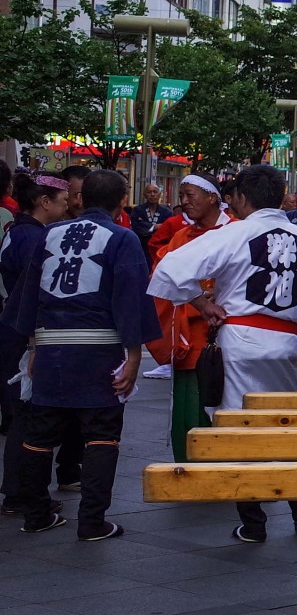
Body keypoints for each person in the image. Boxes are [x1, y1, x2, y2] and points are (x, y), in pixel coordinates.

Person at [147, 164, 297, 543]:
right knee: (284, 427)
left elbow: (169, 271)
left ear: (243, 198)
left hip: (239, 339)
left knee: (238, 429)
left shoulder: (235, 232)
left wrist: (202, 304)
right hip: (286, 342)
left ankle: (253, 522)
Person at [11, 169, 161, 539]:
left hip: (50, 346)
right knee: (102, 435)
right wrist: (135, 355)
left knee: (39, 434)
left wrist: (32, 345)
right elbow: (129, 299)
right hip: (99, 348)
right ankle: (92, 522)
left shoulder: (50, 234)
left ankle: (36, 514)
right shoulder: (122, 238)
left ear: (81, 198)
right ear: (122, 201)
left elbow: (29, 293)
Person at [148, 175, 234, 463]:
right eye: (182, 195)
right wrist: (199, 299)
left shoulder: (236, 231)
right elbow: (160, 278)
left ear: (212, 197)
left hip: (230, 333)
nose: (184, 201)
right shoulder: (180, 237)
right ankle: (190, 464)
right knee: (189, 404)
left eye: (190, 194)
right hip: (189, 333)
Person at [0, 173, 72, 515]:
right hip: (24, 335)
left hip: (15, 328)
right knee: (28, 415)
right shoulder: (34, 239)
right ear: (45, 202)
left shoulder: (21, 232)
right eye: (62, 201)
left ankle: (20, 490)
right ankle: (21, 493)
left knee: (25, 414)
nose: (67, 205)